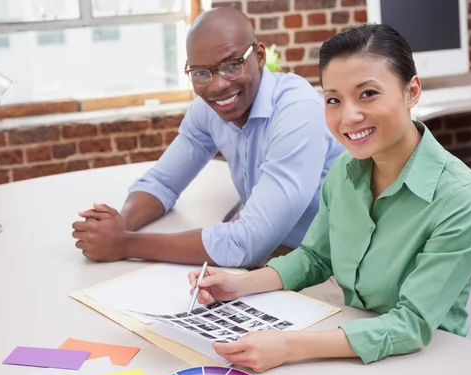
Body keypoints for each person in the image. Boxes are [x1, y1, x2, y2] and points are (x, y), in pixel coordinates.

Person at [188, 23, 471, 372]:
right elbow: (316, 257)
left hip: (427, 363)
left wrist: (287, 345)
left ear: (412, 92)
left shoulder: (461, 200)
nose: (348, 116)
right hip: (348, 342)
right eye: (334, 99)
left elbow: (412, 324)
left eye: (368, 94)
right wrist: (239, 284)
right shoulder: (346, 171)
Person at [71, 7, 344, 268]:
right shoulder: (208, 108)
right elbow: (163, 182)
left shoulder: (298, 111)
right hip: (276, 254)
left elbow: (249, 243)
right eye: (201, 72)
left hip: (329, 263)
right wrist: (118, 224)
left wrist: (124, 244)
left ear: (259, 56)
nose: (217, 85)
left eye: (232, 65)